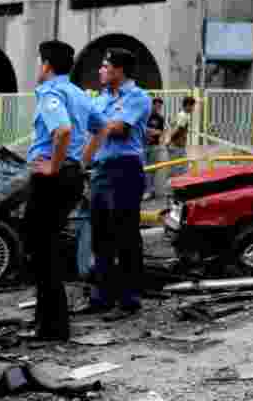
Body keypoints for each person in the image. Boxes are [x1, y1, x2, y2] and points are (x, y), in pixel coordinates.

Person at [24, 40, 104, 341]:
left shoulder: (50, 92)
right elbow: (101, 128)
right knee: (47, 245)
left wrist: (55, 166)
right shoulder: (79, 94)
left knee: (40, 248)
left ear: (45, 64)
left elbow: (63, 130)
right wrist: (81, 162)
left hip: (52, 179)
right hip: (71, 177)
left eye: (38, 62)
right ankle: (48, 323)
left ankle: (52, 327)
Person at [81, 48, 152, 320]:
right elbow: (94, 130)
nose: (100, 70)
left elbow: (118, 129)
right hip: (100, 169)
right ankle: (101, 297)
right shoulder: (100, 100)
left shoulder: (138, 97)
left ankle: (129, 299)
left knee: (126, 236)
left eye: (105, 66)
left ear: (119, 70)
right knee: (101, 237)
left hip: (125, 169)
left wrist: (99, 127)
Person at [144, 98, 166, 198]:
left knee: (152, 169)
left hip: (154, 146)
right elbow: (141, 129)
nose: (158, 108)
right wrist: (152, 131)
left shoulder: (160, 118)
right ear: (151, 105)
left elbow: (160, 132)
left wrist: (149, 131)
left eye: (159, 106)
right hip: (143, 146)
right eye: (156, 105)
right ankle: (145, 190)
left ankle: (150, 190)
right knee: (143, 169)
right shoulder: (144, 115)